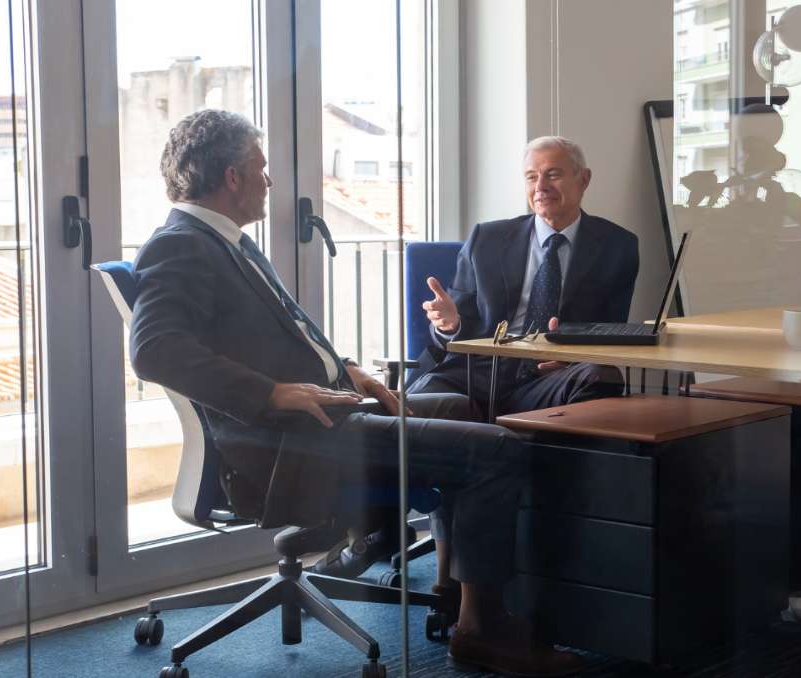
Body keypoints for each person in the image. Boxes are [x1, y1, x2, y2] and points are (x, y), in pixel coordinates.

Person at [129, 109, 581, 677]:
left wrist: (349, 373)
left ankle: (450, 585)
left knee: (462, 407)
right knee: (495, 448)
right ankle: (481, 628)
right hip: (289, 439)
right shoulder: (183, 245)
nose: (269, 181)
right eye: (261, 169)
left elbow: (271, 340)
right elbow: (155, 350)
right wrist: (273, 395)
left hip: (323, 413)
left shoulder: (223, 242)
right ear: (232, 177)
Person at [408, 135, 639, 414]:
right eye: (531, 177)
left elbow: (611, 330)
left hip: (551, 374)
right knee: (418, 401)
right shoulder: (486, 239)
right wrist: (449, 324)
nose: (541, 187)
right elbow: (458, 327)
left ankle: (540, 456)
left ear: (584, 179)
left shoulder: (617, 245)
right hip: (479, 372)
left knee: (600, 376)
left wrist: (569, 358)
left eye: (552, 175)